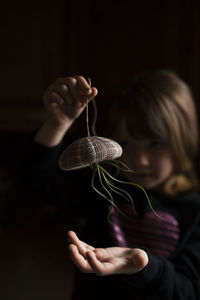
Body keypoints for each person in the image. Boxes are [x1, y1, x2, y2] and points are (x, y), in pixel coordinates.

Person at [19, 70, 200, 299]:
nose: (139, 160)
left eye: (155, 144)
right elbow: (35, 183)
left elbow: (190, 290)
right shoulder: (101, 189)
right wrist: (57, 124)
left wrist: (144, 266)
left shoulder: (194, 211)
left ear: (183, 141)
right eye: (126, 143)